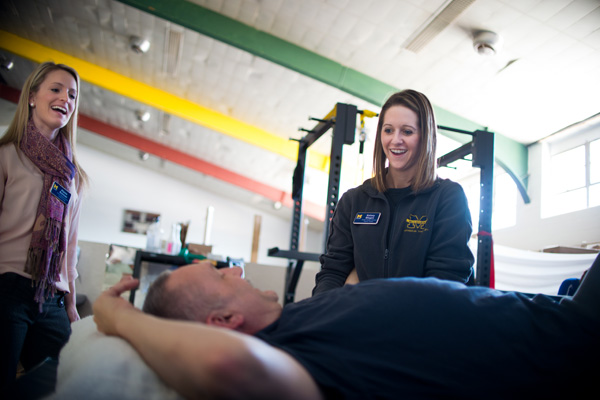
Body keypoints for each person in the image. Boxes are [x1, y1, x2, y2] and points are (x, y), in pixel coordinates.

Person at [93, 255, 600, 400]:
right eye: (219, 274)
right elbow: (224, 363)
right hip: (576, 344)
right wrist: (120, 317)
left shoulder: (296, 320)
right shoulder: (286, 354)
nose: (237, 270)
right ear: (223, 321)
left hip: (557, 311)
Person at [313, 89, 474, 294]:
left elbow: (445, 281)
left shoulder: (447, 198)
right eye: (388, 130)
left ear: (425, 137)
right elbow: (333, 272)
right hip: (359, 321)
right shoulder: (354, 201)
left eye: (407, 131)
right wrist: (319, 314)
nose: (395, 140)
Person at [0, 61, 87, 392]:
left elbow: (70, 244)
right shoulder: (7, 155)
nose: (66, 98)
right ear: (32, 96)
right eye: (56, 89)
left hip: (51, 296)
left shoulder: (72, 175)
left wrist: (70, 304)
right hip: (7, 288)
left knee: (64, 383)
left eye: (73, 95)